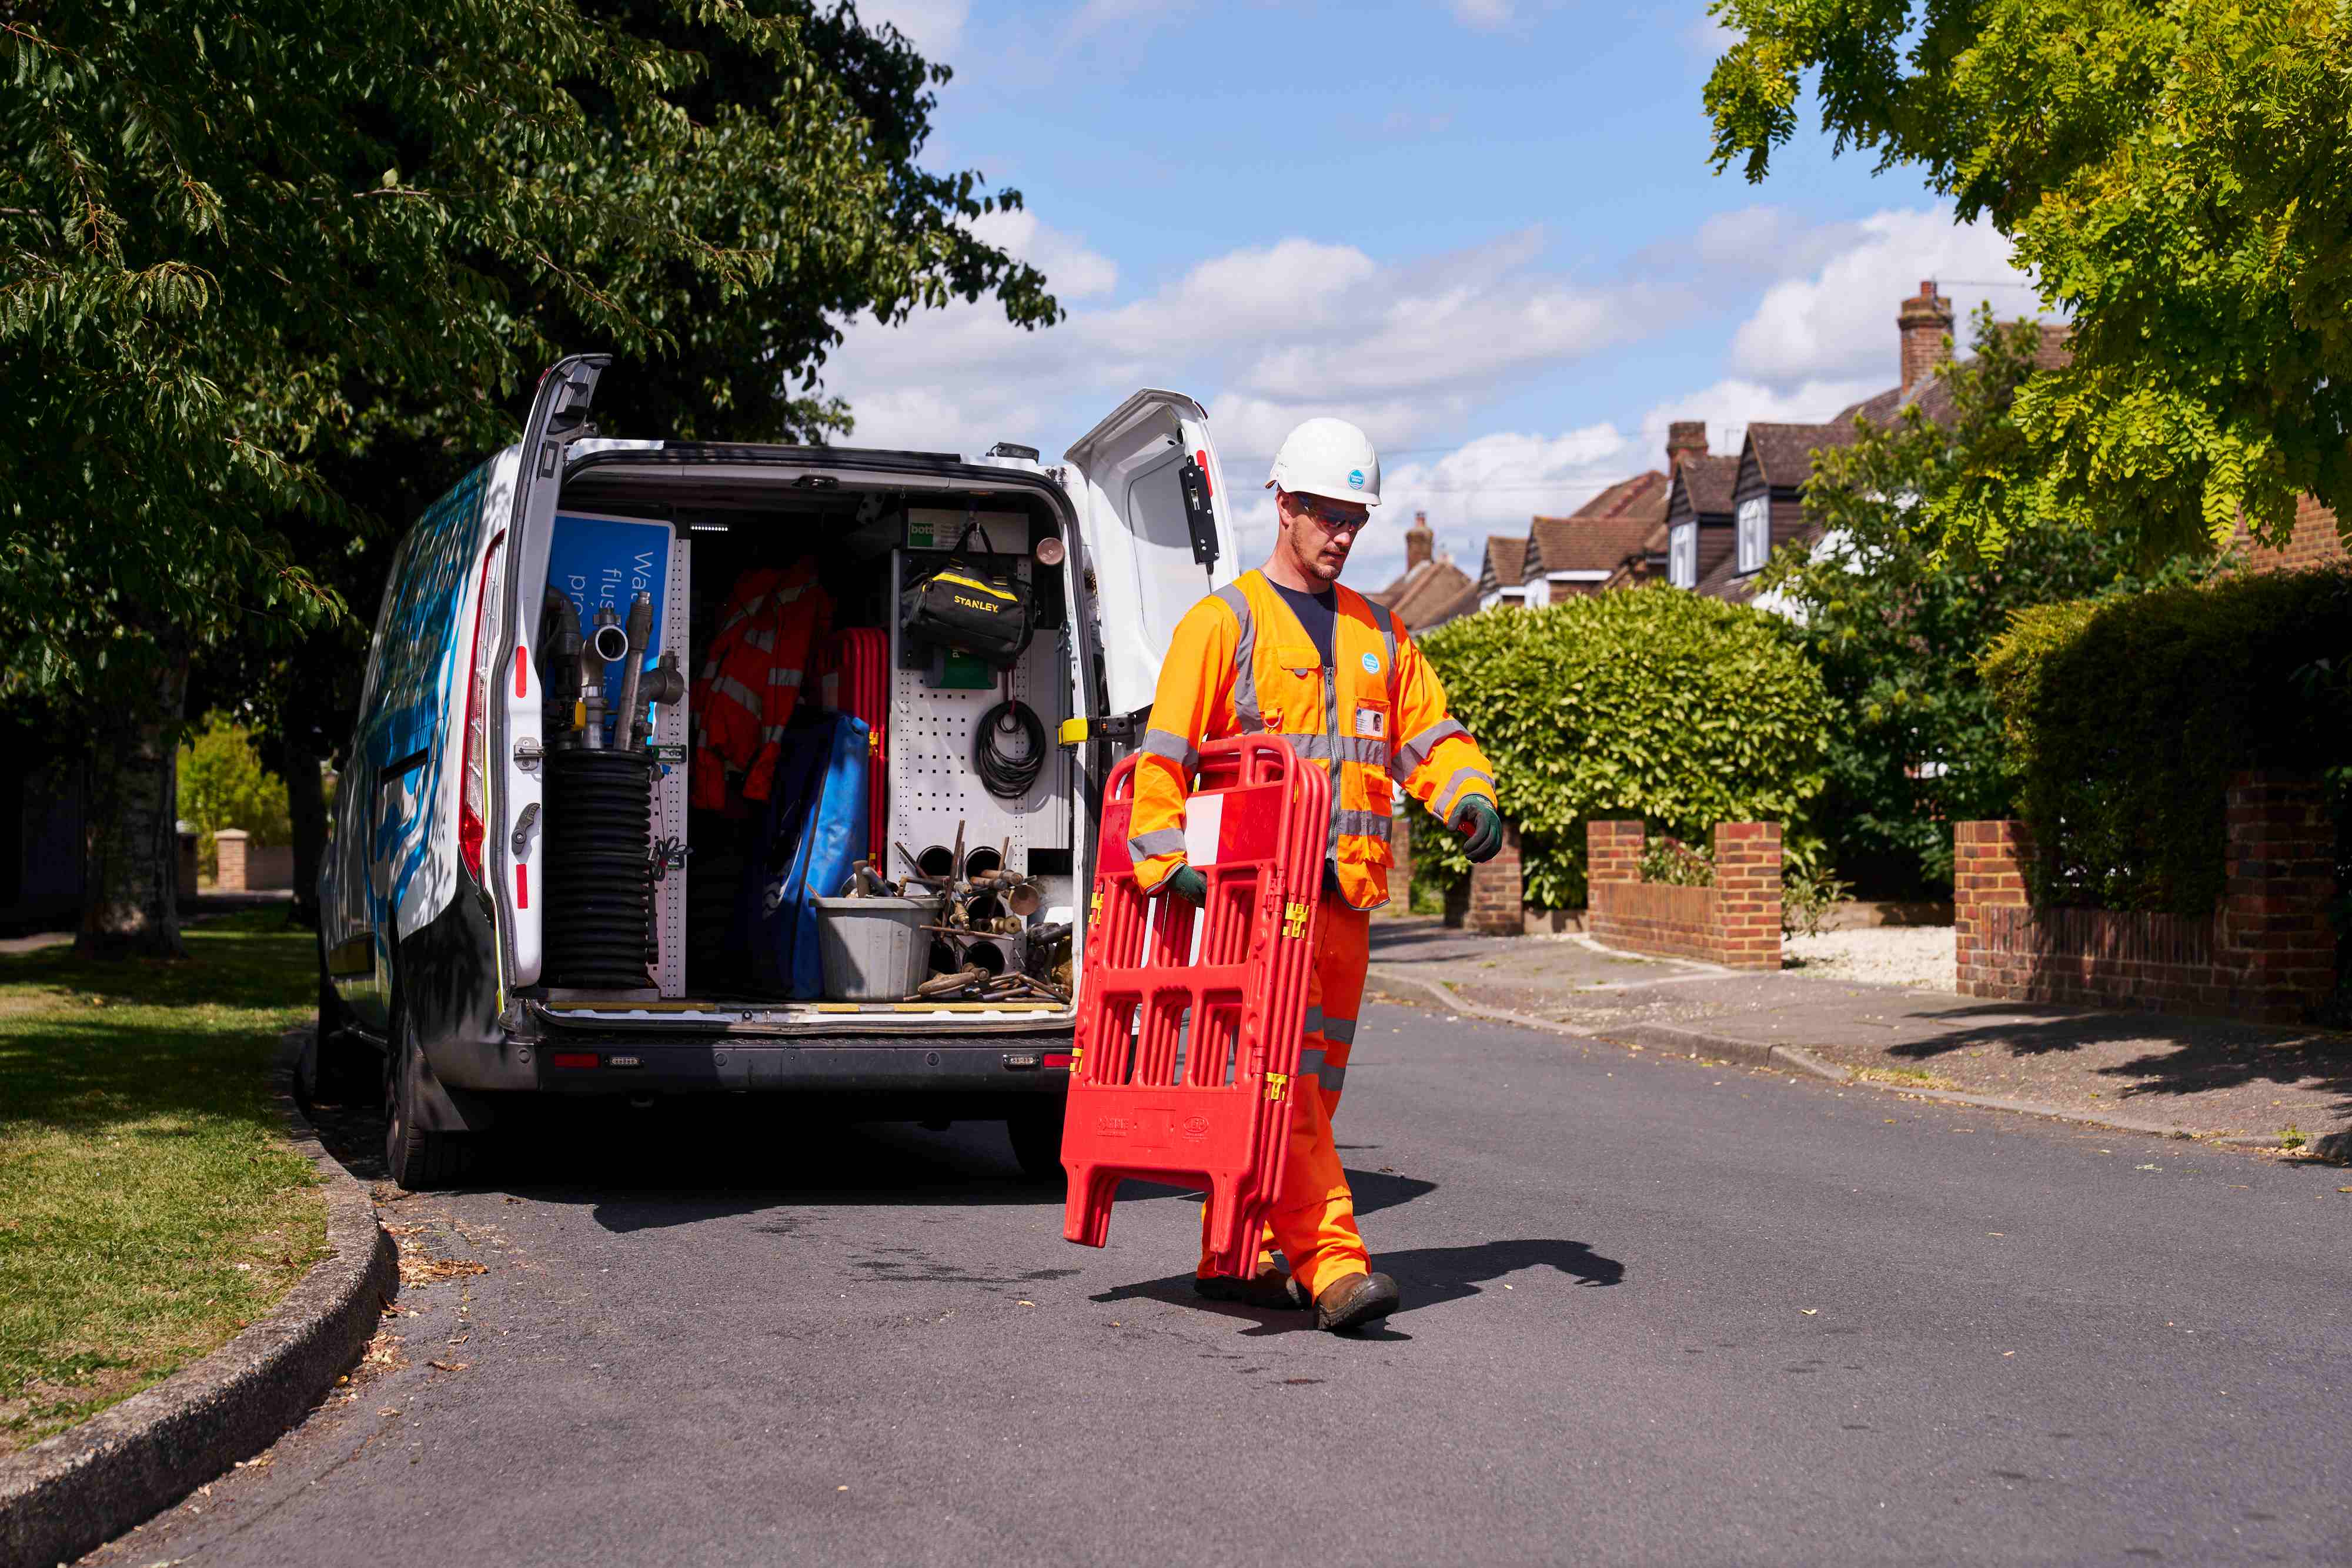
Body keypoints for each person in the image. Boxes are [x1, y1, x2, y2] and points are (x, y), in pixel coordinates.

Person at [1124, 416, 1505, 1333]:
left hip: (1346, 904)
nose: (1341, 535)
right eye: (1328, 515)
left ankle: (1237, 1251)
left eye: (1354, 520)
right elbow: (1164, 756)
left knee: (1311, 1094)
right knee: (1286, 1086)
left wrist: (1468, 794)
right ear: (1284, 506)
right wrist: (1165, 860)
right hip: (1258, 906)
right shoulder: (1223, 624)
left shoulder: (1381, 634)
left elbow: (1427, 738)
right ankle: (1334, 1263)